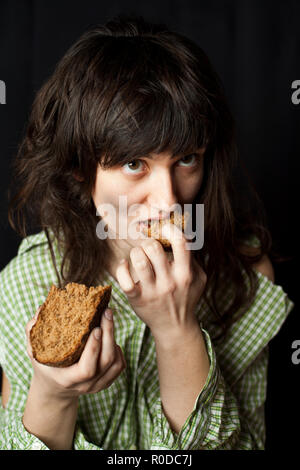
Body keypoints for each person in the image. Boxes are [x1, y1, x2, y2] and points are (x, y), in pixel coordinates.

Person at [0, 14, 294, 450]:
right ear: (81, 168)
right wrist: (54, 393)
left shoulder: (246, 279)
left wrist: (178, 330)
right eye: (134, 164)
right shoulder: (30, 280)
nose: (169, 202)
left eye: (187, 160)